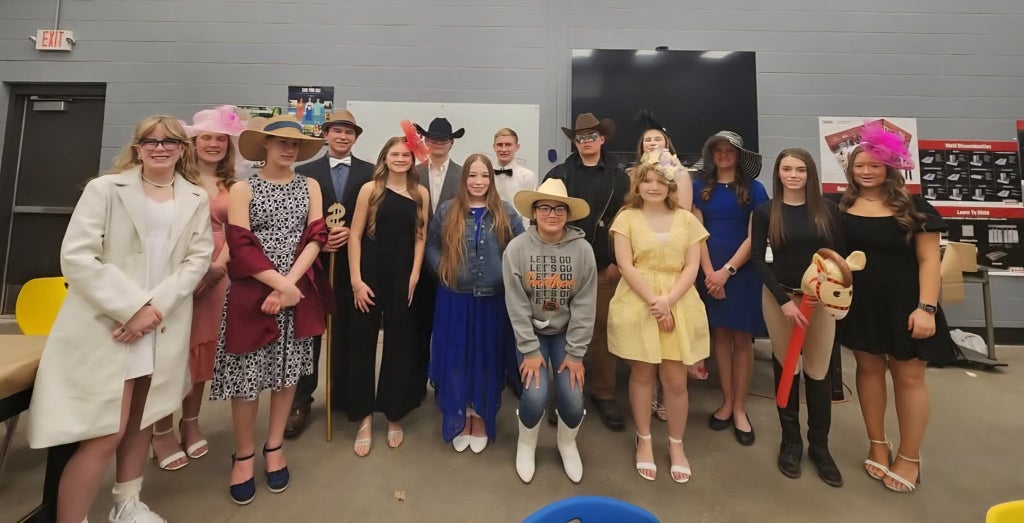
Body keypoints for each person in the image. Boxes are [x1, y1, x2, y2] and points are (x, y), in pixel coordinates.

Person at [26, 115, 213, 523]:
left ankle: (127, 504)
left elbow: (196, 261)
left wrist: (153, 310)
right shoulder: (106, 189)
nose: (160, 147)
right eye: (151, 140)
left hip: (159, 324)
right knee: (105, 430)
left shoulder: (194, 197)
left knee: (143, 419)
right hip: (109, 324)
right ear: (137, 145)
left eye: (170, 141)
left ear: (183, 149)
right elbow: (77, 256)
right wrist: (132, 308)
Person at [211, 115, 331, 505]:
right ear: (264, 145)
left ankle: (274, 446)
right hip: (252, 291)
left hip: (295, 290)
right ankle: (244, 452)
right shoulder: (243, 188)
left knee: (285, 377)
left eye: (295, 144)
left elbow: (316, 236)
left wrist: (291, 286)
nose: (288, 148)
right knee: (247, 379)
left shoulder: (310, 185)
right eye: (280, 142)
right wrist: (278, 285)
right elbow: (241, 245)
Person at [838, 123, 955, 493]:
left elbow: (929, 262)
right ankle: (877, 442)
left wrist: (926, 308)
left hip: (907, 304)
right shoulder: (841, 207)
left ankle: (910, 456)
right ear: (851, 169)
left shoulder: (914, 207)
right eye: (860, 165)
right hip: (862, 305)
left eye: (875, 165)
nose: (867, 171)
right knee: (868, 371)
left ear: (890, 168)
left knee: (908, 378)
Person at [146, 106, 242, 472]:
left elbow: (239, 230)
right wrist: (196, 271)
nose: (214, 144)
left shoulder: (231, 187)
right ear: (192, 142)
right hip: (174, 269)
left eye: (221, 139)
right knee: (168, 351)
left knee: (201, 350)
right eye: (207, 138)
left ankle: (190, 421)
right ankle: (159, 428)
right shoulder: (171, 179)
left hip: (220, 272)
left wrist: (218, 269)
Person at [608, 152, 709, 484]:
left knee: (676, 380)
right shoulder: (626, 218)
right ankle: (645, 440)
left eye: (660, 181)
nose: (653, 187)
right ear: (638, 185)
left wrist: (668, 301)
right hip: (639, 301)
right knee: (642, 375)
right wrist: (654, 301)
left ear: (671, 185)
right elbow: (625, 265)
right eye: (646, 180)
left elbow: (692, 266)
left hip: (678, 300)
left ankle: (677, 445)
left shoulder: (687, 220)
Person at [751, 148, 844, 487]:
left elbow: (839, 257)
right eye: (786, 169)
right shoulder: (765, 212)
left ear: (810, 174)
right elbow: (760, 260)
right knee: (786, 369)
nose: (793, 175)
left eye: (800, 169)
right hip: (781, 300)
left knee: (817, 373)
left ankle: (820, 447)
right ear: (777, 174)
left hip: (818, 304)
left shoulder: (828, 211)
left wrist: (826, 292)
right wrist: (782, 300)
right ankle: (790, 442)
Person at [426, 153, 525, 453]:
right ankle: (460, 413)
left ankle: (480, 415)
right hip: (455, 299)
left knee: (486, 357)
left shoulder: (506, 212)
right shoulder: (447, 211)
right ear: (464, 178)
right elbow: (432, 244)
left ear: (490, 180)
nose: (479, 181)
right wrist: (442, 267)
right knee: (457, 357)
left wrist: (510, 277)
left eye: (484, 176)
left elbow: (521, 248)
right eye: (473, 175)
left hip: (492, 302)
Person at [286, 110, 374, 439]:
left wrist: (351, 233)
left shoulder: (369, 172)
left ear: (355, 137)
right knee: (309, 333)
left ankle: (345, 394)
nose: (342, 136)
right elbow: (295, 220)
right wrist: (319, 242)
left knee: (349, 331)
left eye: (349, 132)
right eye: (337, 131)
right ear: (326, 135)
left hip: (351, 264)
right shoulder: (305, 172)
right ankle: (300, 399)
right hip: (314, 265)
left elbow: (372, 217)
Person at [503, 179, 597, 484]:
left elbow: (585, 304)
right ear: (534, 212)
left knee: (572, 396)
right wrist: (529, 350)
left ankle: (567, 443)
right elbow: (516, 304)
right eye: (545, 207)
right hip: (531, 333)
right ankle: (527, 442)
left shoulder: (583, 250)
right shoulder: (516, 249)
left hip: (567, 334)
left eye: (559, 208)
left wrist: (576, 353)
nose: (552, 214)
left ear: (568, 214)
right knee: (535, 393)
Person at [543, 112, 630, 432]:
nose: (586, 142)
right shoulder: (559, 174)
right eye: (580, 138)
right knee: (563, 330)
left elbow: (628, 220)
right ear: (574, 142)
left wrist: (619, 262)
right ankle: (566, 394)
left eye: (592, 137)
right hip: (566, 266)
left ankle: (604, 394)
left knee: (603, 330)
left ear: (602, 139)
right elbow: (541, 218)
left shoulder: (621, 176)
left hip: (607, 266)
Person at [346, 136, 430, 456]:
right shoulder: (371, 190)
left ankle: (394, 414)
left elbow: (421, 237)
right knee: (363, 347)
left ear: (412, 159)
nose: (400, 159)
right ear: (385, 157)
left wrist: (415, 275)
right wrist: (355, 280)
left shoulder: (419, 193)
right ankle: (364, 418)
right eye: (394, 154)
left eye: (405, 155)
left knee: (399, 346)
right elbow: (354, 236)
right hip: (369, 272)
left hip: (403, 276)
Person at [692, 130, 768, 446]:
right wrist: (710, 274)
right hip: (709, 271)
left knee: (742, 339)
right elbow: (696, 233)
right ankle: (725, 401)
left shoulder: (755, 189)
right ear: (712, 155)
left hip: (743, 273)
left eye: (729, 150)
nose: (724, 154)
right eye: (718, 150)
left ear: (739, 155)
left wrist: (727, 271)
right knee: (720, 336)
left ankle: (739, 408)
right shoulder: (699, 188)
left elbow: (756, 236)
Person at [491, 127, 538, 226]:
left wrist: (524, 235)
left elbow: (529, 212)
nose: (503, 149)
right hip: (490, 228)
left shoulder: (528, 176)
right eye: (500, 145)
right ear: (494, 147)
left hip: (517, 229)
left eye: (508, 145)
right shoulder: (487, 174)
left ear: (517, 147)